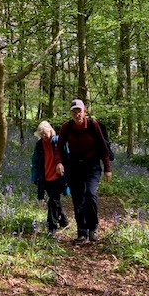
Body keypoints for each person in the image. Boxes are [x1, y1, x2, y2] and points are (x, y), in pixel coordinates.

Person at [55, 99, 112, 243]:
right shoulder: (66, 127)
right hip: (74, 166)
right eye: (74, 112)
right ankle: (82, 232)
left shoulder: (93, 125)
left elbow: (102, 146)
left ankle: (92, 228)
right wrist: (59, 162)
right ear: (71, 113)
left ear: (84, 111)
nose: (77, 114)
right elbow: (59, 147)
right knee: (78, 199)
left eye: (79, 111)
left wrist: (107, 168)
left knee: (90, 194)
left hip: (92, 165)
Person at [31, 121, 69, 235]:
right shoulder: (39, 145)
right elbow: (35, 161)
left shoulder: (58, 141)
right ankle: (64, 221)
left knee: (52, 201)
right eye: (41, 134)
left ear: (50, 130)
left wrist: (67, 173)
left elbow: (67, 156)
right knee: (55, 201)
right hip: (45, 177)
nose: (43, 136)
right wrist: (34, 176)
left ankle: (51, 227)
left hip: (58, 177)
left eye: (45, 133)